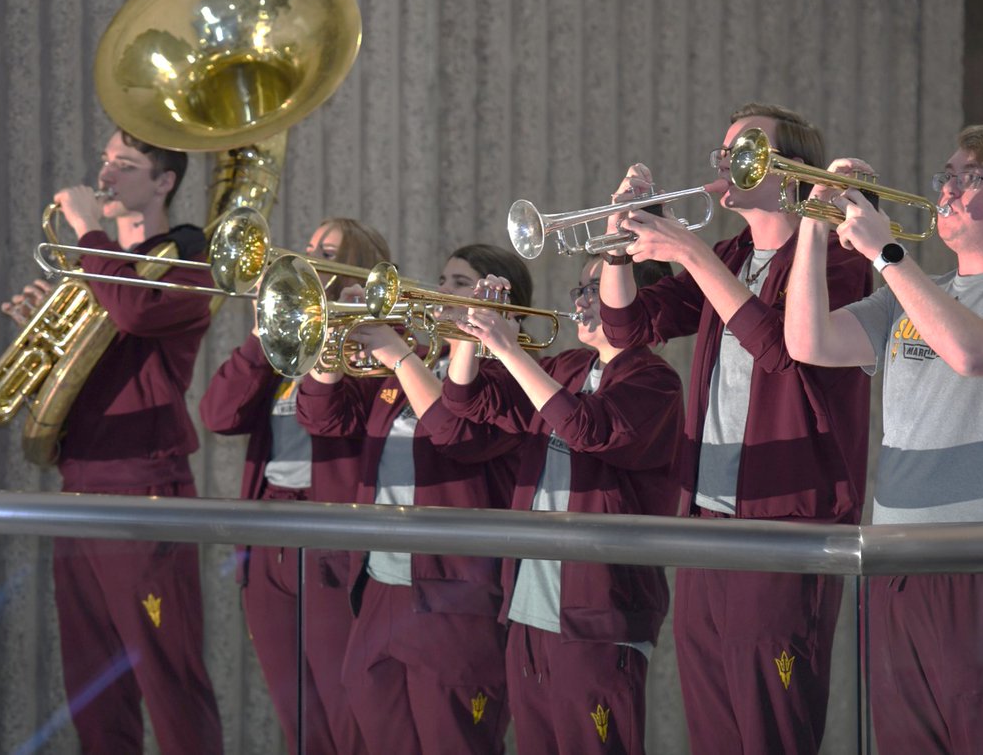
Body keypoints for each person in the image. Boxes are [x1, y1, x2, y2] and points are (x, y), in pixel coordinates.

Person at [784, 125, 983, 753]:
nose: (946, 188)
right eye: (945, 174)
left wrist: (889, 256)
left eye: (970, 178)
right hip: (899, 559)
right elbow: (807, 342)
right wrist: (814, 220)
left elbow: (972, 352)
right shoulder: (916, 291)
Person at [599, 102, 873, 753]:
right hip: (707, 519)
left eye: (744, 150)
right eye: (723, 152)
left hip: (784, 522)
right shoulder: (729, 253)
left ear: (793, 171)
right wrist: (616, 245)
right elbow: (626, 328)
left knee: (770, 728)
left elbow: (780, 348)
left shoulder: (836, 261)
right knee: (713, 726)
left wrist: (690, 252)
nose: (724, 163)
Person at [1, 129, 223, 755]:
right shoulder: (101, 268)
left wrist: (86, 231)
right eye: (105, 160)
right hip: (82, 482)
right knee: (92, 686)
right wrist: (47, 335)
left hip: (145, 485)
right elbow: (100, 364)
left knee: (168, 676)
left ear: (164, 182)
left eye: (125, 165)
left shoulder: (189, 258)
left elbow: (135, 313)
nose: (105, 174)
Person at [441, 254, 682, 755]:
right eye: (580, 287)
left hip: (598, 616)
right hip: (529, 610)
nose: (580, 300)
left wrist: (510, 350)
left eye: (596, 288)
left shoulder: (656, 382)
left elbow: (587, 428)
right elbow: (468, 401)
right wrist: (471, 330)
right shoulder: (569, 367)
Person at [296, 243, 531, 755]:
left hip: (456, 593)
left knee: (454, 740)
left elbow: (455, 432)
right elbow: (322, 418)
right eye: (443, 280)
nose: (442, 292)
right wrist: (333, 337)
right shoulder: (408, 370)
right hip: (381, 585)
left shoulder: (508, 381)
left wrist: (397, 354)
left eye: (461, 284)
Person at [200, 218, 390, 754]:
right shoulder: (284, 350)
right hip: (268, 536)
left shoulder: (366, 347)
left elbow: (339, 421)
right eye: (307, 247)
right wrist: (264, 331)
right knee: (295, 711)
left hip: (328, 532)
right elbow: (217, 415)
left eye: (324, 251)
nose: (304, 258)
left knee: (344, 706)